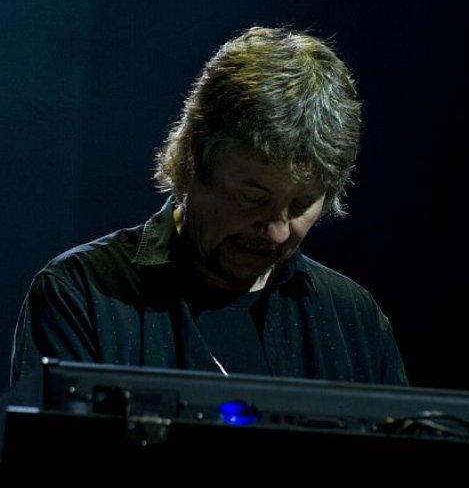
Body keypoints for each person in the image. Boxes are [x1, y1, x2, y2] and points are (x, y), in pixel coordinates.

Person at [10, 26, 407, 387]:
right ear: (194, 161)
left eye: (302, 204)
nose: (277, 231)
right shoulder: (80, 293)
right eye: (253, 197)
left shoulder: (354, 319)